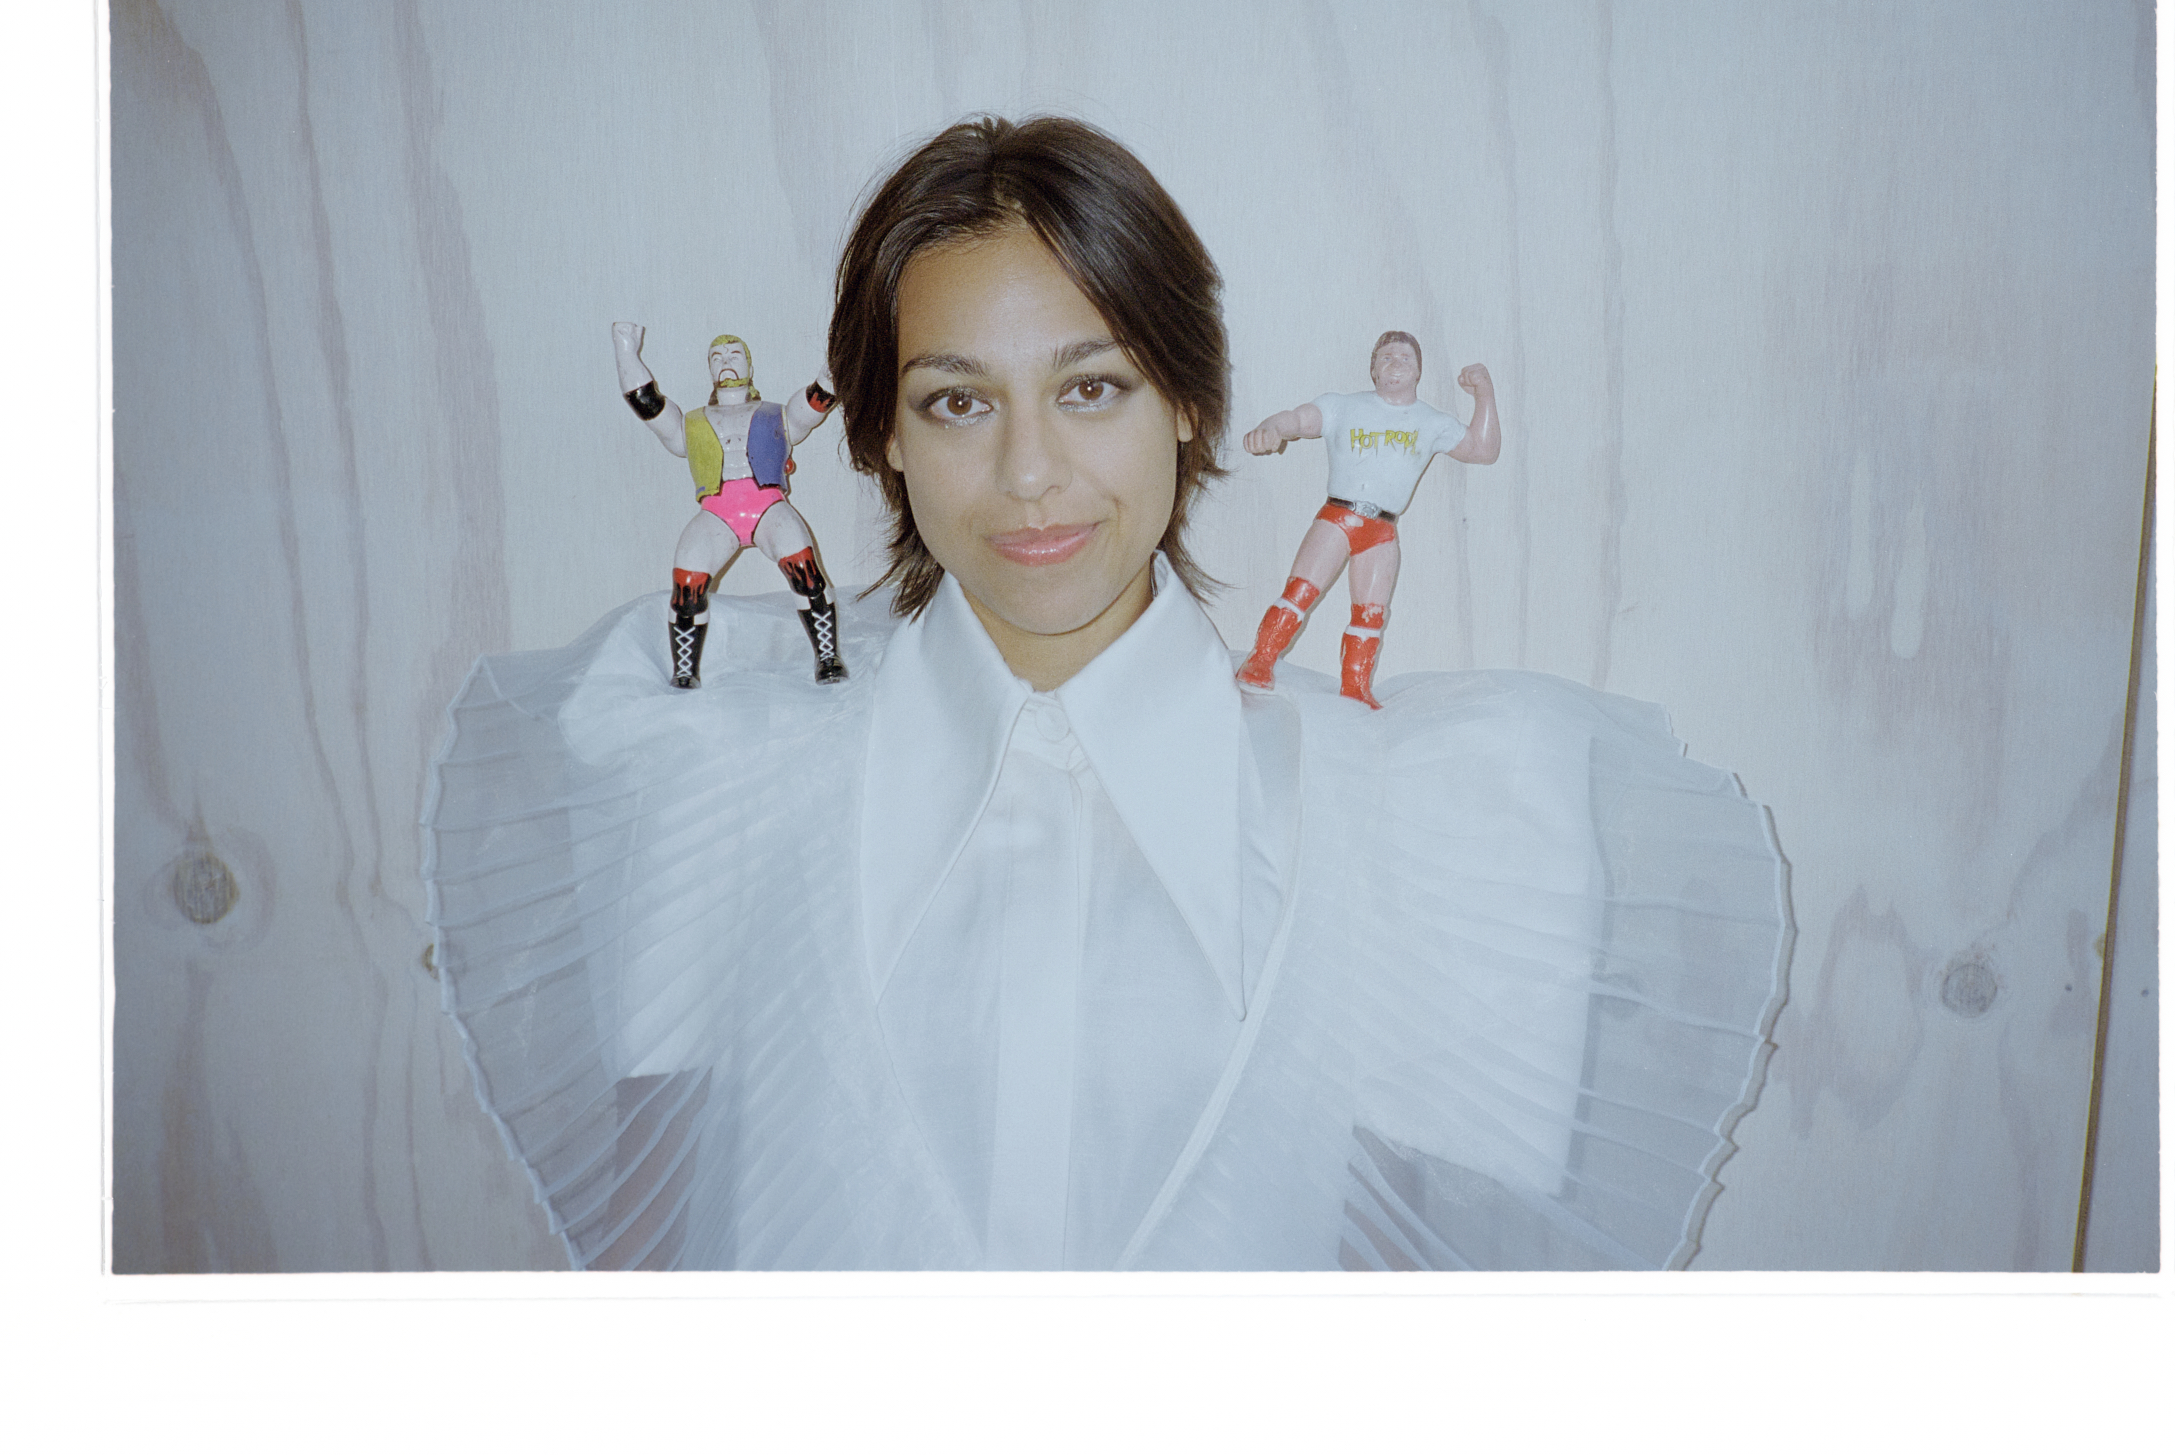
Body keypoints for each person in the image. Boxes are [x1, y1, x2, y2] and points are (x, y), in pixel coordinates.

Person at [425, 116, 1790, 1271]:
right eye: (958, 402)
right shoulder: (711, 772)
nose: (1029, 473)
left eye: (1090, 387)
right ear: (882, 433)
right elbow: (666, 1243)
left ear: (1187, 401)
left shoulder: (1436, 822)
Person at [1237, 335, 1500, 706]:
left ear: (1419, 371)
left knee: (1371, 612)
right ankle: (1260, 661)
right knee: (1300, 592)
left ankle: (1356, 687)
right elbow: (1297, 419)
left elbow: (1483, 450)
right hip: (1339, 517)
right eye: (1386, 357)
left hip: (1382, 530)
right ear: (1373, 369)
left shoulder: (1430, 421)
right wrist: (1272, 428)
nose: (1396, 363)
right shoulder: (1342, 406)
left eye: (1405, 357)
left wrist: (1484, 393)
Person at [611, 323, 846, 686]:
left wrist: (841, 352)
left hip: (769, 507)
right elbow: (646, 402)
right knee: (687, 586)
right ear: (709, 369)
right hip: (716, 515)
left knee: (807, 575)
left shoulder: (778, 414)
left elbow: (821, 395)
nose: (726, 362)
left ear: (750, 366)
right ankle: (685, 671)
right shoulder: (690, 423)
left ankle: (828, 657)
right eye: (716, 357)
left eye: (734, 355)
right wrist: (626, 351)